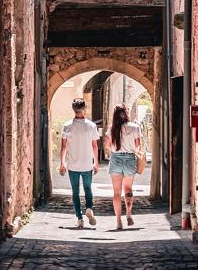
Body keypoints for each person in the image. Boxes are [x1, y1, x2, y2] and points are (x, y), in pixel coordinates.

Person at [60, 98, 99, 229]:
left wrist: (62, 163)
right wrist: (96, 162)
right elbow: (95, 146)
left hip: (72, 164)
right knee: (88, 189)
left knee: (75, 192)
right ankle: (89, 208)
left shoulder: (67, 125)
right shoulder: (91, 126)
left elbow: (63, 147)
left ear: (74, 109)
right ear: (85, 109)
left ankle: (80, 218)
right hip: (87, 163)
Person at [105, 104, 141, 230]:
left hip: (116, 159)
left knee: (116, 192)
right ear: (126, 113)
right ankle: (129, 214)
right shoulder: (135, 127)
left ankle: (118, 221)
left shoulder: (112, 128)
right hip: (130, 158)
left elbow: (107, 145)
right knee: (128, 189)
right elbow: (138, 146)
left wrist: (116, 146)